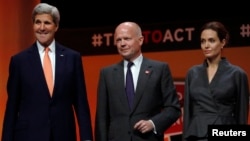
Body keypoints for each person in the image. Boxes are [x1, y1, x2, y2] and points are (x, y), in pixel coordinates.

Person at [1, 3, 93, 141]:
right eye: (38, 22)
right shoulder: (19, 61)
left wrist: (87, 138)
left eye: (47, 23)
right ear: (33, 25)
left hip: (63, 135)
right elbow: (12, 107)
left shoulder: (72, 58)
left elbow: (81, 103)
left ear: (56, 26)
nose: (42, 28)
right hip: (28, 136)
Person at [95, 21, 181, 141]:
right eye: (118, 40)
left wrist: (153, 123)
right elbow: (101, 118)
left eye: (127, 39)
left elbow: (173, 109)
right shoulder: (107, 74)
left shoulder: (159, 69)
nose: (122, 44)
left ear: (140, 40)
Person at [183, 21, 249, 141]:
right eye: (203, 41)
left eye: (211, 40)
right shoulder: (192, 73)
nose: (206, 45)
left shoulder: (237, 74)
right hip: (197, 134)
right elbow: (188, 113)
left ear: (222, 42)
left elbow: (241, 116)